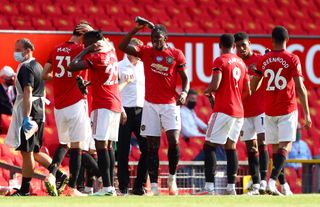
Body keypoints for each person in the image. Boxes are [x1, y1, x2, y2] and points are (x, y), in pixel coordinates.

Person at [119, 23, 190, 195]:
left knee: (173, 140)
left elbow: (185, 77)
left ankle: (172, 178)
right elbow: (122, 46)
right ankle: (156, 187)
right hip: (150, 105)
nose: (155, 42)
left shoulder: (176, 54)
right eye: (152, 39)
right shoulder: (146, 52)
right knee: (151, 147)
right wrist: (136, 29)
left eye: (158, 39)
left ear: (165, 39)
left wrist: (185, 92)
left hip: (170, 104)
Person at [251, 26, 312, 195]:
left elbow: (254, 85)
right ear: (288, 39)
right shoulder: (292, 58)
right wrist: (307, 114)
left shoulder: (263, 59)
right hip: (287, 108)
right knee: (286, 146)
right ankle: (271, 182)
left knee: (276, 150)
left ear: (272, 40)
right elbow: (300, 87)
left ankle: (282, 185)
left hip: (269, 110)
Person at [41, 22, 93, 196]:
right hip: (76, 102)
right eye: (88, 36)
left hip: (59, 105)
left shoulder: (55, 49)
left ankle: (52, 175)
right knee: (77, 146)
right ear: (81, 33)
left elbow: (44, 74)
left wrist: (60, 75)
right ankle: (72, 188)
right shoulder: (81, 50)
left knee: (64, 144)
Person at [68, 30, 121, 196]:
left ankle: (107, 188)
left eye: (87, 42)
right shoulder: (112, 54)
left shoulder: (97, 57)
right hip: (115, 104)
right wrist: (89, 84)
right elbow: (105, 77)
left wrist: (86, 50)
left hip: (103, 104)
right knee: (110, 145)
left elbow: (72, 65)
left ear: (94, 41)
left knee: (100, 144)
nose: (84, 45)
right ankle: (110, 186)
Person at [202, 34, 250, 195]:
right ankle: (231, 188)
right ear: (234, 46)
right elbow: (247, 91)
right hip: (239, 112)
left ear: (220, 45)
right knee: (231, 146)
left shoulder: (220, 60)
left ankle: (209, 186)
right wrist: (236, 99)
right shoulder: (242, 63)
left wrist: (207, 91)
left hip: (224, 109)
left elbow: (215, 84)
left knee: (209, 145)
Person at [5, 38, 47, 196]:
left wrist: (26, 117)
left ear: (27, 50)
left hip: (31, 111)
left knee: (27, 152)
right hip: (39, 110)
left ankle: (24, 190)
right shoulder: (38, 66)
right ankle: (58, 173)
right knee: (34, 151)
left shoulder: (26, 68)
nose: (15, 52)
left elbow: (28, 92)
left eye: (18, 49)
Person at [234, 32, 269, 195]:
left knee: (262, 144)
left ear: (250, 44)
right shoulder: (235, 63)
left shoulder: (260, 59)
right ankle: (255, 183)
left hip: (261, 109)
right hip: (244, 111)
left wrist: (269, 58)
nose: (241, 48)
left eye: (244, 45)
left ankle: (264, 181)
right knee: (251, 147)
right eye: (238, 45)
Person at [117, 38, 148, 196]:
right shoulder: (119, 66)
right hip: (124, 111)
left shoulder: (144, 66)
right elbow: (114, 90)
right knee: (122, 151)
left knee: (148, 148)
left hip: (142, 111)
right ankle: (123, 187)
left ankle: (139, 185)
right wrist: (120, 109)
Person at [0, 66, 16, 133]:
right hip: (3, 123)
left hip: (16, 123)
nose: (12, 79)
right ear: (2, 78)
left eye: (13, 76)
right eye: (9, 78)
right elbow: (3, 106)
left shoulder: (16, 89)